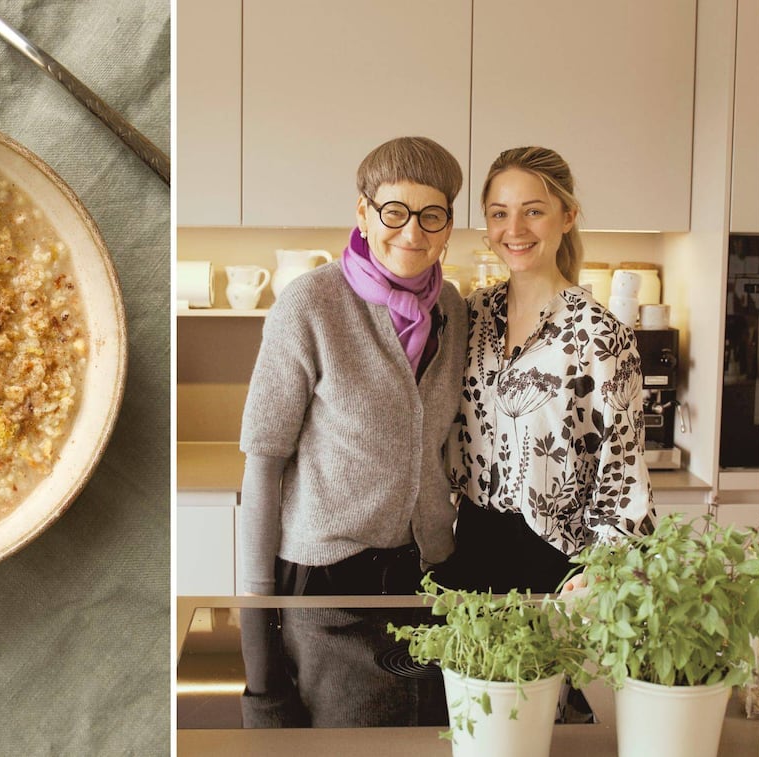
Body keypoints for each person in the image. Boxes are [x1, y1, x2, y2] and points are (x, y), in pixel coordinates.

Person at [237, 136, 468, 596]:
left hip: (430, 570)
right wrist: (255, 600)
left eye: (431, 215)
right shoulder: (310, 303)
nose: (412, 234)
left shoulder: (452, 308)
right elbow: (263, 461)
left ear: (448, 225)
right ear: (363, 212)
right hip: (326, 574)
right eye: (394, 212)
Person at [440, 146, 655, 595]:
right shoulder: (470, 315)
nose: (514, 229)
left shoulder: (599, 334)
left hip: (558, 561)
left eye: (533, 211)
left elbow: (622, 472)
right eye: (499, 214)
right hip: (470, 545)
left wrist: (602, 570)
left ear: (568, 216)